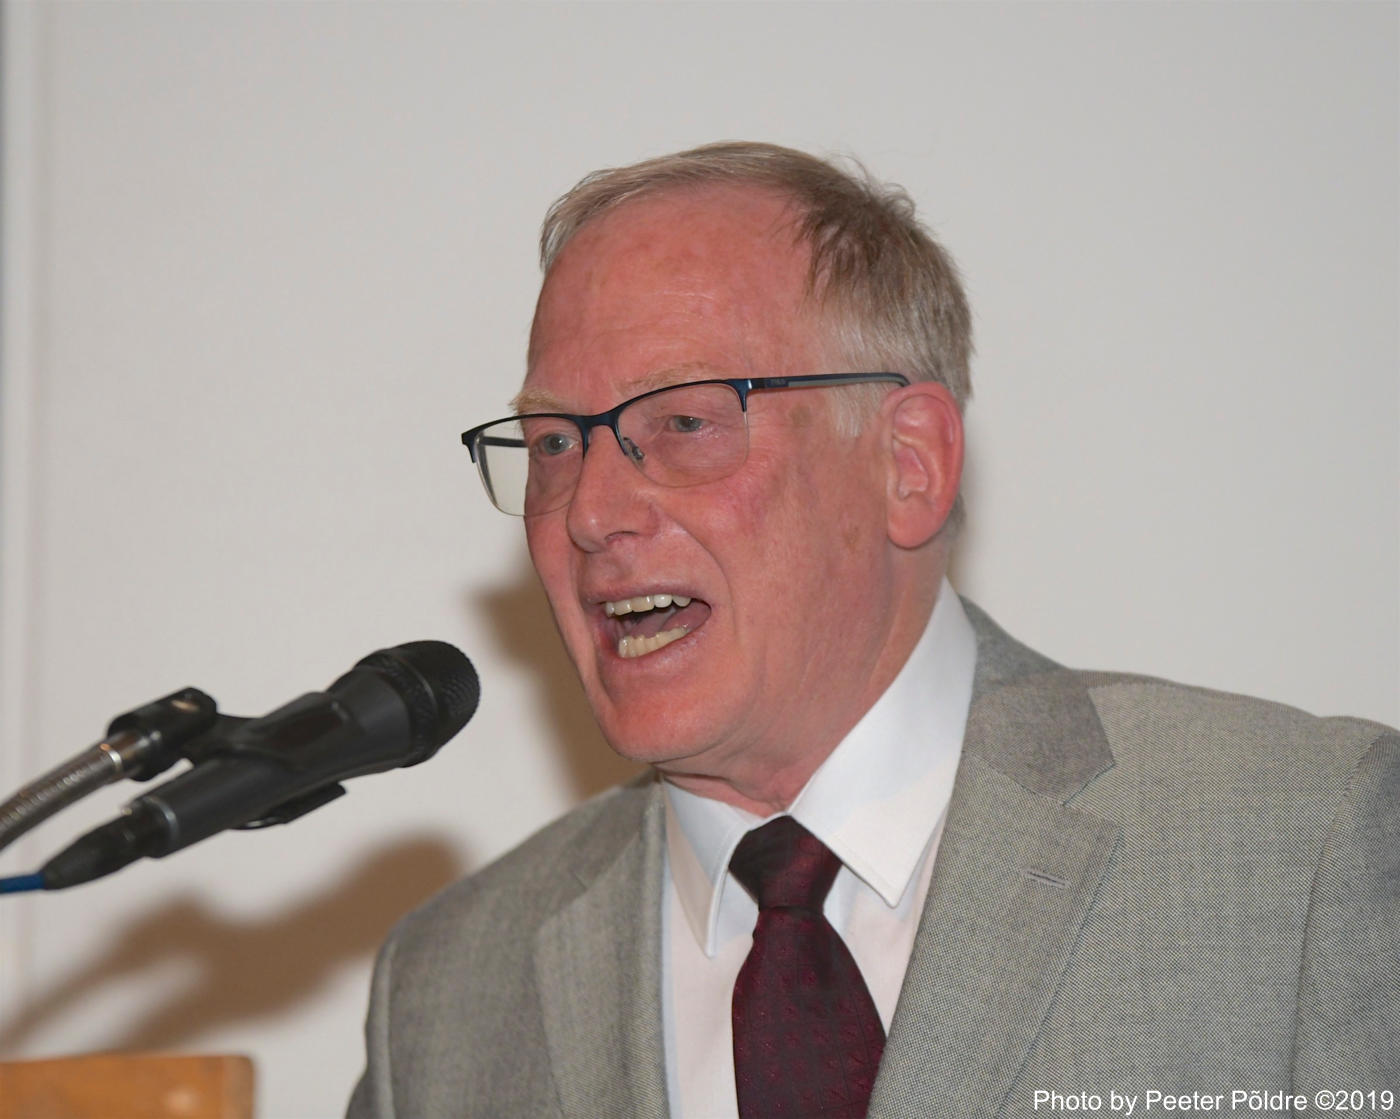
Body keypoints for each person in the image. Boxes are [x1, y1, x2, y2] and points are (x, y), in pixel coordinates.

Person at [347, 142, 1397, 1118]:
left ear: (909, 465)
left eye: (684, 423)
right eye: (551, 444)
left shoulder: (1300, 848)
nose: (588, 512)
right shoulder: (443, 995)